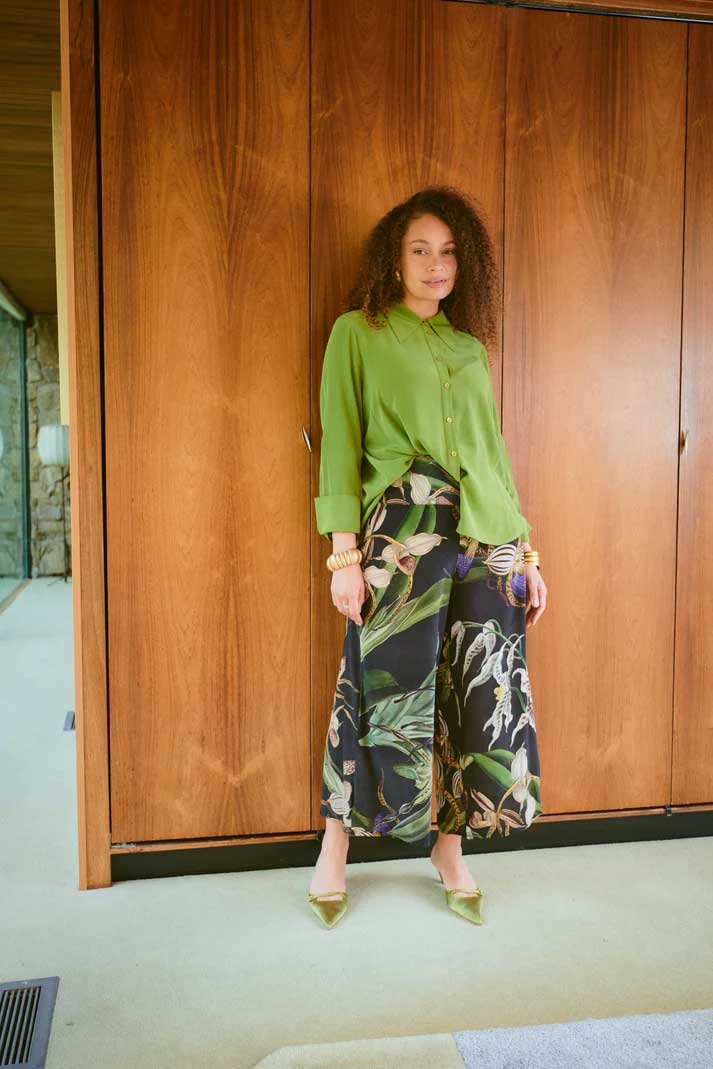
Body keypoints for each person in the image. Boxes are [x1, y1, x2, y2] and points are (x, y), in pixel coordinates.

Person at [308, 186, 548, 929]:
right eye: (420, 250)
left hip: (484, 537)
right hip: (402, 530)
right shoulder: (358, 332)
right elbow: (340, 440)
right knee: (376, 686)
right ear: (395, 258)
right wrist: (343, 555)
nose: (435, 264)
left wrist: (526, 553)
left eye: (447, 252)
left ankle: (451, 849)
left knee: (478, 690)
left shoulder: (468, 348)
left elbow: (492, 455)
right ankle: (334, 847)